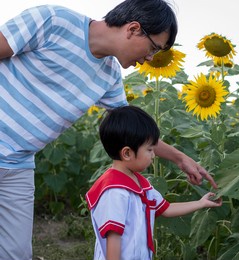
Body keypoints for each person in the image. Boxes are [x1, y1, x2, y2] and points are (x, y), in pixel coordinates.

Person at [0, 0, 218, 259]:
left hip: (18, 165)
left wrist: (181, 158)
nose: (149, 59)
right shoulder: (53, 20)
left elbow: (135, 132)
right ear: (133, 29)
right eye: (153, 48)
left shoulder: (110, 76)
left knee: (15, 253)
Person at [85, 105, 222, 260]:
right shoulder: (114, 192)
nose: (154, 155)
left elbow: (166, 208)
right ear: (127, 153)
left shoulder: (138, 182)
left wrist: (200, 203)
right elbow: (113, 240)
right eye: (150, 150)